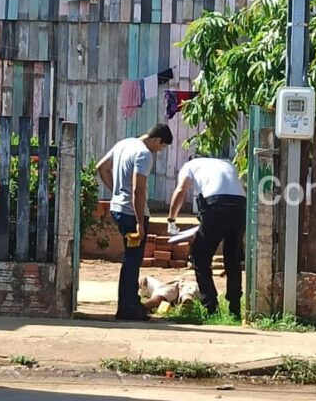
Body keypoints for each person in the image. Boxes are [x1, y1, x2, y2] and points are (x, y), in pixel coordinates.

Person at [96, 124, 173, 321]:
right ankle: (127, 307)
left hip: (118, 209)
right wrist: (140, 223)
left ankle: (130, 303)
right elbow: (138, 191)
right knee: (133, 260)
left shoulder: (124, 144)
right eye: (161, 147)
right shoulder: (144, 154)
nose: (159, 151)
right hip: (132, 213)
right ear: (157, 140)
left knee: (131, 259)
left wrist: (116, 192)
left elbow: (101, 168)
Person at [167, 155, 246, 319]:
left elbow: (180, 191)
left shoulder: (190, 165)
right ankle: (235, 308)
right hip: (240, 206)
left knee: (200, 256)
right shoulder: (226, 164)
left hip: (215, 206)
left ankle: (211, 308)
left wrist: (171, 220)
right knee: (233, 259)